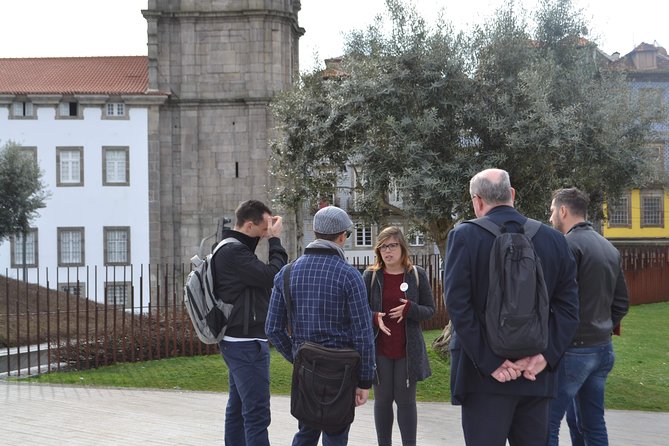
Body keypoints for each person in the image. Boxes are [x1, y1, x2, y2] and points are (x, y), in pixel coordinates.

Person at [443, 168, 580, 446]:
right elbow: (569, 309)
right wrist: (546, 356)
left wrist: (490, 362)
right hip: (536, 375)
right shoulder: (553, 239)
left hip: (483, 377)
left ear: (477, 201)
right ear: (512, 195)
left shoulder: (464, 236)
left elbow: (458, 307)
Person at [265, 205, 375, 446]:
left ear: (314, 232)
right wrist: (365, 380)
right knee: (336, 435)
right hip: (342, 372)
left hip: (307, 368)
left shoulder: (286, 272)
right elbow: (363, 334)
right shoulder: (350, 275)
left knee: (306, 432)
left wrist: (297, 356)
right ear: (342, 236)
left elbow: (272, 327)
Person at [548, 187, 630, 445]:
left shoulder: (567, 245)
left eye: (552, 211)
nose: (550, 217)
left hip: (574, 350)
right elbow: (622, 303)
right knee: (592, 424)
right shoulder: (609, 247)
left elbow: (555, 299)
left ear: (563, 210)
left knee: (546, 423)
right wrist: (602, 327)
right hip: (602, 349)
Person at [212, 199, 288, 446]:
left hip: (239, 340)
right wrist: (275, 242)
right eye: (264, 228)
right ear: (248, 225)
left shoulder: (231, 248)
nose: (268, 232)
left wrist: (265, 237)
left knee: (238, 409)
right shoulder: (234, 252)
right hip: (245, 342)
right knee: (256, 414)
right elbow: (273, 276)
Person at [362, 226, 435, 446]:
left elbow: (430, 310)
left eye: (392, 245)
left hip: (407, 351)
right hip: (380, 349)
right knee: (382, 401)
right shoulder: (371, 275)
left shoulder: (416, 275)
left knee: (406, 402)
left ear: (402, 247)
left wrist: (410, 309)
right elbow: (359, 311)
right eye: (383, 246)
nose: (388, 251)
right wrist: (375, 317)